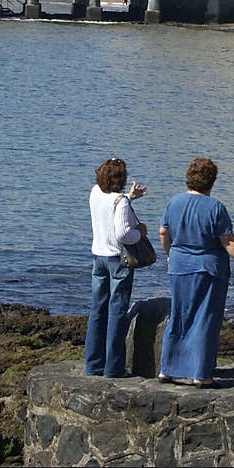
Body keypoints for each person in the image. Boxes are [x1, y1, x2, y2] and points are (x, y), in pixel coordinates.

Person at [157, 157, 234, 388]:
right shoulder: (215, 207)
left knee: (179, 315)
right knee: (205, 318)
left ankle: (167, 369)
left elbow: (164, 232)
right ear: (211, 181)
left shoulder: (174, 202)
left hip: (179, 265)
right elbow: (228, 241)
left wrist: (169, 254)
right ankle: (200, 374)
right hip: (208, 267)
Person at [85, 157, 148, 378]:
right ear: (120, 179)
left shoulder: (95, 192)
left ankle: (93, 364)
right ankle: (114, 367)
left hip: (98, 256)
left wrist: (130, 198)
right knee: (117, 312)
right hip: (117, 260)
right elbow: (123, 234)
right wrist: (140, 232)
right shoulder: (119, 201)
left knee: (97, 310)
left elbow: (108, 209)